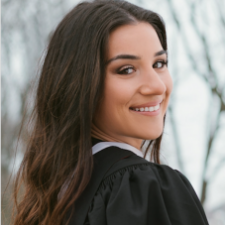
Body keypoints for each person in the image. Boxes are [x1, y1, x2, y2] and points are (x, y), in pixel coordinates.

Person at [13, 0, 209, 225]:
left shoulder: (51, 204)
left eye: (159, 63)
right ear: (81, 85)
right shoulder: (143, 188)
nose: (157, 86)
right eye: (126, 69)